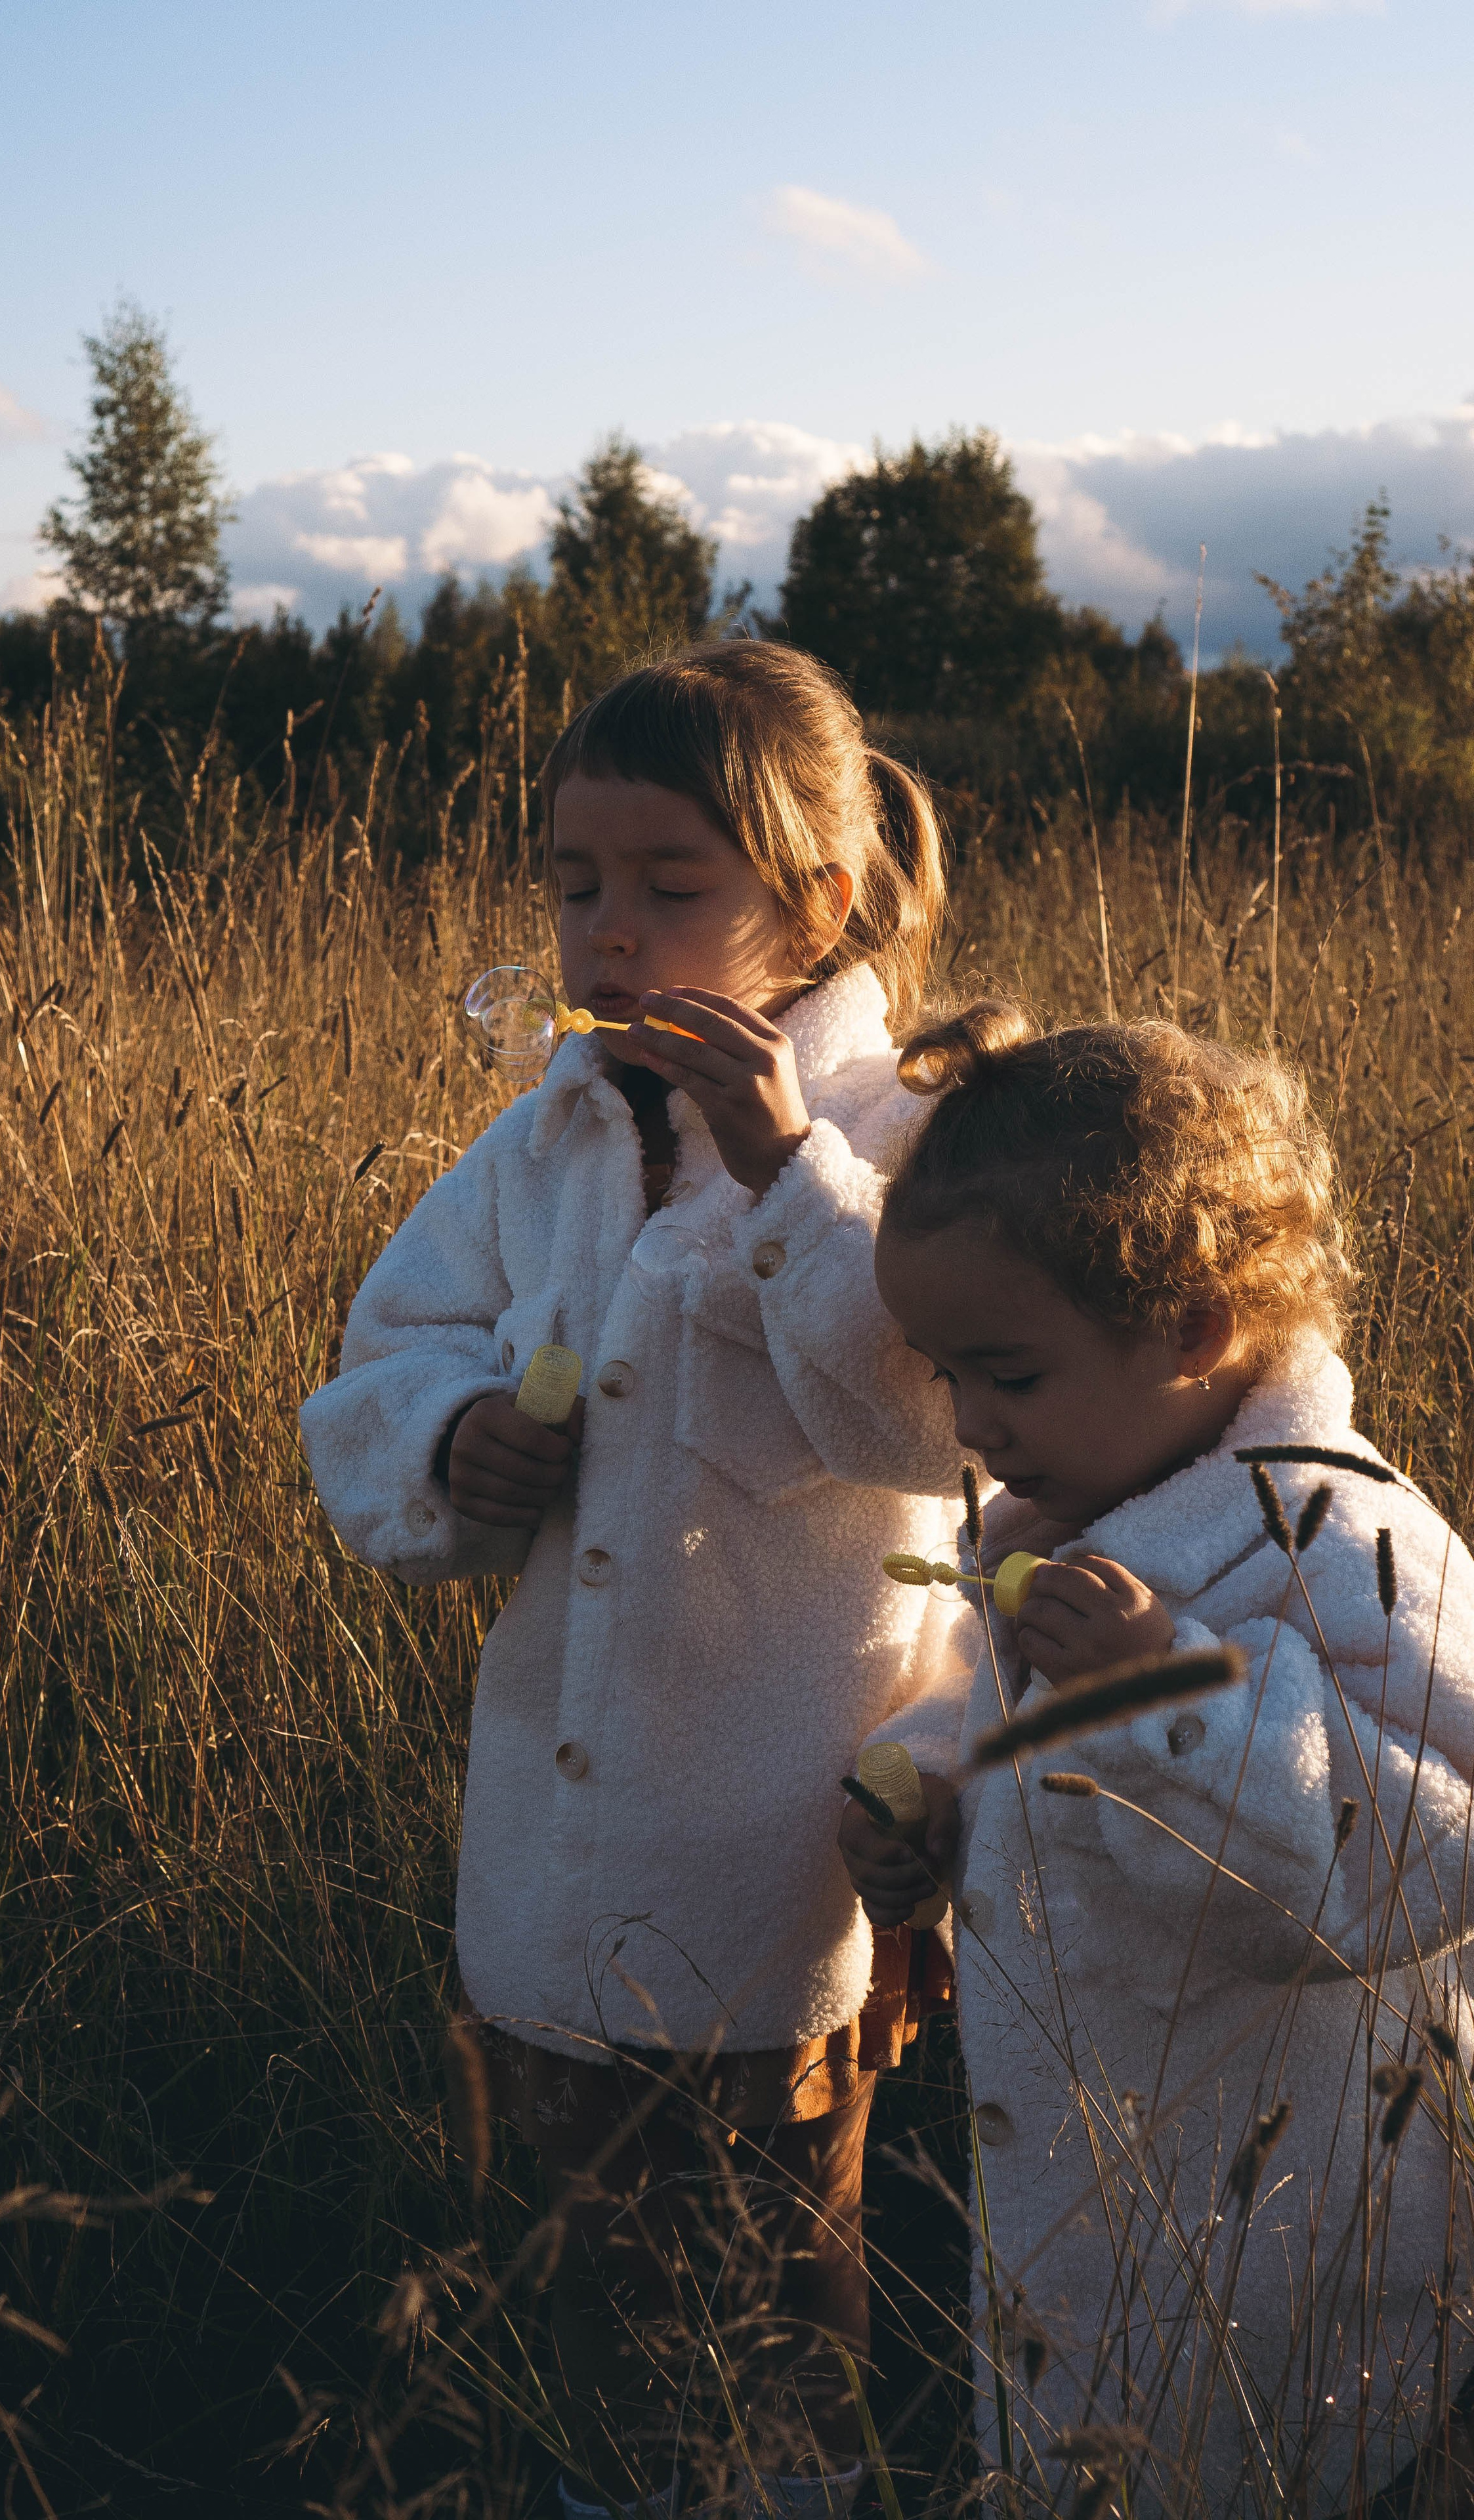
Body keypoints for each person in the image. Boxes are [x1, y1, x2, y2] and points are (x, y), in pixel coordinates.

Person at [301, 644, 973, 2519]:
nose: (609, 934)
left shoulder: (908, 1143)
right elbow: (390, 1344)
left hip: (771, 1846)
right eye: (575, 886)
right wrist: (451, 1444)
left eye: (672, 888)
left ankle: (792, 2495)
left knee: (769, 2257)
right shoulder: (556, 1137)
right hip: (554, 1826)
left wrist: (783, 1178)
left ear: (819, 901)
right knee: (593, 2240)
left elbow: (932, 1426)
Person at [843, 1000, 1474, 2515]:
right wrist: (934, 1788)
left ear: (1191, 1330)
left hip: (1289, 2245)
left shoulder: (1346, 1546)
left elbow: (1431, 1859)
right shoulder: (1074, 1517)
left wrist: (1174, 1700)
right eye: (946, 1381)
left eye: (1007, 1374)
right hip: (1096, 2201)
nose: (974, 1430)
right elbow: (1015, 1712)